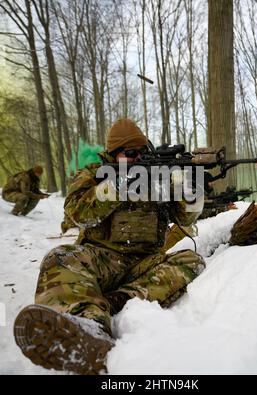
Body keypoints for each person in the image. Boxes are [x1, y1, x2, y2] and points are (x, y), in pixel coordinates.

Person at [14, 119, 206, 375]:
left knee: (191, 260)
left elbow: (185, 218)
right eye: (130, 154)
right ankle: (89, 327)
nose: (138, 158)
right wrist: (119, 184)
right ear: (113, 155)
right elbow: (77, 214)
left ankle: (116, 301)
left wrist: (191, 190)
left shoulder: (159, 175)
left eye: (142, 152)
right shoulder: (93, 174)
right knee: (60, 257)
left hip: (145, 265)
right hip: (102, 260)